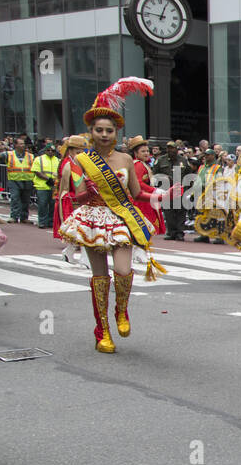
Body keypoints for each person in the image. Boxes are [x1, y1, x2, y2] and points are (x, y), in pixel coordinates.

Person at [58, 77, 162, 353]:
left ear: (116, 133)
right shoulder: (82, 161)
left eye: (109, 130)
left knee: (124, 270)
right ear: (91, 132)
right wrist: (87, 190)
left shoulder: (126, 159)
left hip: (119, 218)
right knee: (100, 277)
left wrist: (160, 195)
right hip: (93, 218)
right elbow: (76, 196)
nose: (104, 134)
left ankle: (121, 310)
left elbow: (136, 192)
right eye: (99, 130)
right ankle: (102, 329)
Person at [54, 135, 88, 265]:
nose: (81, 155)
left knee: (81, 231)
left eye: (83, 152)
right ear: (70, 151)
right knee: (83, 231)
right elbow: (69, 188)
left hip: (82, 202)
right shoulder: (69, 166)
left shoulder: (81, 165)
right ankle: (85, 257)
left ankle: (68, 252)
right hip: (74, 203)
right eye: (78, 152)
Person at [5, 136, 34, 223]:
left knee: (25, 200)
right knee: (15, 198)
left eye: (23, 144)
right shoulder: (9, 154)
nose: (23, 145)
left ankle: (24, 217)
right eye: (20, 143)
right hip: (14, 181)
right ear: (15, 145)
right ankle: (14, 216)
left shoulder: (31, 156)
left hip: (27, 181)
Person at [31, 142, 59, 228]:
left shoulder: (58, 160)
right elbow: (36, 171)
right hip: (42, 186)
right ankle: (42, 222)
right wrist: (48, 179)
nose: (50, 152)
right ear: (45, 151)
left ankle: (50, 221)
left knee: (53, 205)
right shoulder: (39, 159)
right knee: (43, 204)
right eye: (48, 150)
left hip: (54, 186)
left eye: (53, 151)